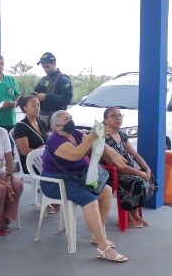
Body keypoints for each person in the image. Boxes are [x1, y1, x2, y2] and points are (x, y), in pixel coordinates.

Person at [41, 110, 128, 262]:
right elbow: (77, 155)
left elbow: (94, 142)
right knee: (89, 199)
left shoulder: (74, 133)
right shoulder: (55, 141)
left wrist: (111, 152)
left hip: (77, 178)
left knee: (106, 190)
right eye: (66, 120)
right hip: (56, 182)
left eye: (71, 118)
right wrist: (93, 136)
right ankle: (103, 247)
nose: (71, 122)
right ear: (57, 127)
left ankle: (97, 233)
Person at [102, 107, 151, 228]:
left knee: (151, 178)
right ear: (105, 120)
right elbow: (116, 166)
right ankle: (126, 217)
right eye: (114, 116)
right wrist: (139, 173)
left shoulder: (122, 135)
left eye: (120, 115)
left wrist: (147, 169)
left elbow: (134, 154)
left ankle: (134, 214)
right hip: (111, 173)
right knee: (138, 180)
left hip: (127, 168)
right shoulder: (103, 138)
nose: (118, 118)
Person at [12, 94, 56, 214]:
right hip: (30, 162)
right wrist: (41, 148)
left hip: (44, 158)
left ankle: (55, 197)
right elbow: (25, 151)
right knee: (54, 169)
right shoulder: (20, 127)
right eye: (33, 105)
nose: (37, 108)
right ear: (25, 108)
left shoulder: (41, 123)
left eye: (38, 105)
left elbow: (51, 140)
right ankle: (47, 200)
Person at [33, 52, 73, 124]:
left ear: (54, 63)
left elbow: (66, 99)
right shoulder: (43, 80)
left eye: (47, 66)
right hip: (42, 118)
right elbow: (35, 94)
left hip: (58, 120)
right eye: (43, 67)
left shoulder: (63, 80)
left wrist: (46, 97)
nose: (45, 69)